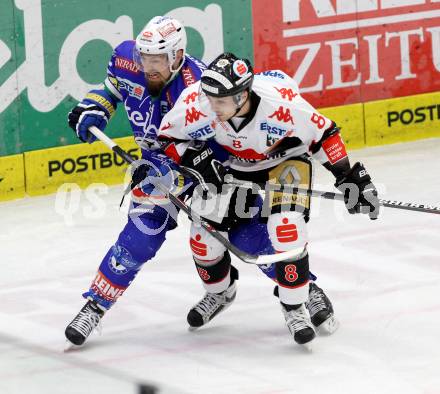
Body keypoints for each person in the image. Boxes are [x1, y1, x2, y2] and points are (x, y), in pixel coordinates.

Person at [146, 52, 379, 346]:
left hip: (284, 160)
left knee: (287, 228)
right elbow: (167, 138)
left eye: (221, 101)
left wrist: (348, 177)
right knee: (203, 238)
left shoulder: (281, 104)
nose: (212, 106)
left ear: (243, 95)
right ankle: (220, 293)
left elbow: (324, 135)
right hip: (231, 165)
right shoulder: (200, 102)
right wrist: (198, 159)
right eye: (210, 98)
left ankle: (294, 307)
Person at [64, 16, 208, 347]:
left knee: (242, 233)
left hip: (202, 167)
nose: (149, 67)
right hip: (156, 165)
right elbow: (111, 89)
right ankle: (95, 306)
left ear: (177, 55)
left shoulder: (196, 86)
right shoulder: (127, 59)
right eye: (146, 58)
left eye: (157, 60)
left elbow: (203, 143)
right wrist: (94, 108)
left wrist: (166, 168)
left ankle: (298, 290)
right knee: (137, 239)